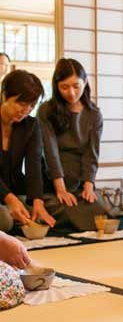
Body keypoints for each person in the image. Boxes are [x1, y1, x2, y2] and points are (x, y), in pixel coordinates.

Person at [37, 58, 108, 231]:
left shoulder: (94, 114)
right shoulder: (46, 110)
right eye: (64, 87)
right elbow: (50, 152)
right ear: (56, 86)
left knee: (100, 215)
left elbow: (92, 154)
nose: (71, 92)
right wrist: (60, 189)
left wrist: (88, 186)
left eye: (76, 86)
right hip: (52, 182)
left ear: (85, 83)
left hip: (80, 181)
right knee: (66, 210)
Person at [0, 70, 55, 232]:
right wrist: (9, 199)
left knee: (40, 212)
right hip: (6, 194)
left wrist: (38, 201)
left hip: (16, 188)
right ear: (4, 96)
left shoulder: (31, 126)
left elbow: (34, 165)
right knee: (5, 219)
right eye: (22, 104)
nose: (26, 110)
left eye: (32, 106)